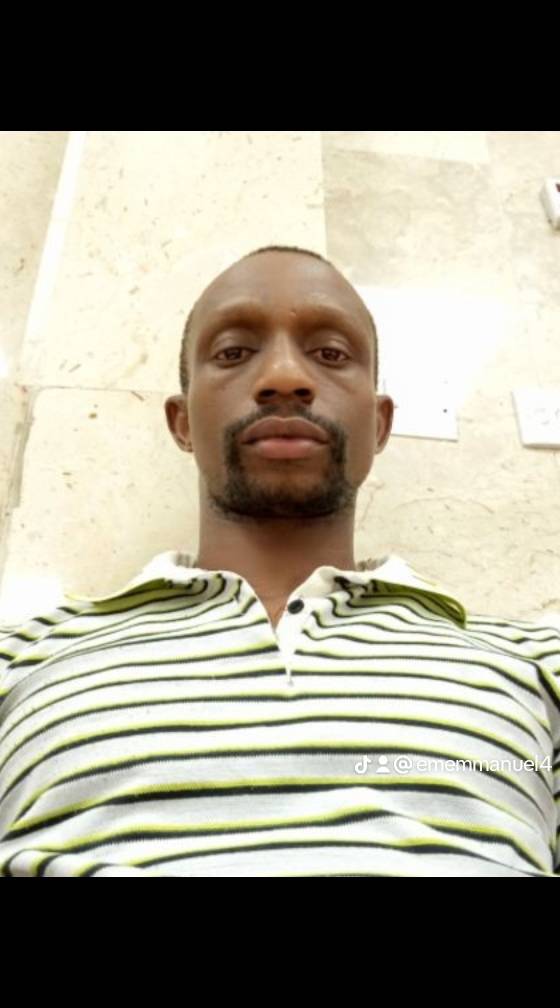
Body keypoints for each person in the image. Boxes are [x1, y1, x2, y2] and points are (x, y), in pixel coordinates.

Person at [1, 245, 559, 877]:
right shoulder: (20, 657)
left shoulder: (539, 667)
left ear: (380, 424)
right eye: (233, 352)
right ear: (182, 422)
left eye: (331, 354)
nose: (285, 376)